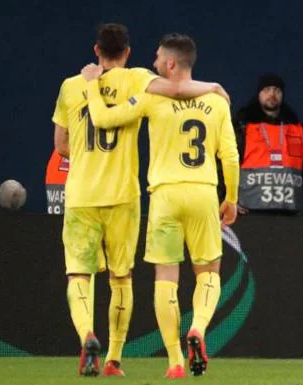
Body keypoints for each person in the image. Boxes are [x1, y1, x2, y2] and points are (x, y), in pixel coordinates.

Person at [52, 23, 226, 377]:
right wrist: (213, 86)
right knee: (122, 278)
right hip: (123, 196)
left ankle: (87, 335)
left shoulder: (71, 87)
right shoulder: (137, 80)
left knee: (79, 276)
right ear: (128, 53)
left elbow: (60, 145)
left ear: (95, 50)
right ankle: (114, 359)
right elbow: (177, 88)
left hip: (82, 194)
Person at [234, 74, 303, 214]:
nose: (272, 94)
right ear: (259, 94)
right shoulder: (242, 126)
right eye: (267, 90)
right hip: (250, 213)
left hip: (290, 213)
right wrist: (228, 200)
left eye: (277, 90)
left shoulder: (296, 128)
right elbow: (224, 165)